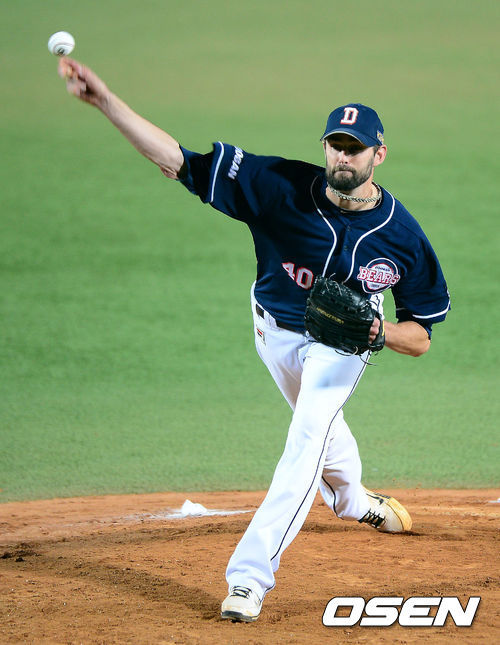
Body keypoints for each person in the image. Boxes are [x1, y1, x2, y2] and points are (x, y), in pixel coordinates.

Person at [58, 58, 450, 623]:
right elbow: (179, 161)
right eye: (336, 145)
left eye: (356, 148)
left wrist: (377, 331)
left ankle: (248, 579)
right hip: (273, 329)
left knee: (307, 437)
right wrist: (105, 101)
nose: (344, 156)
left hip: (343, 346)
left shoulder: (403, 237)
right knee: (320, 428)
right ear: (325, 148)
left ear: (378, 155)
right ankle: (353, 501)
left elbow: (421, 336)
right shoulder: (278, 185)